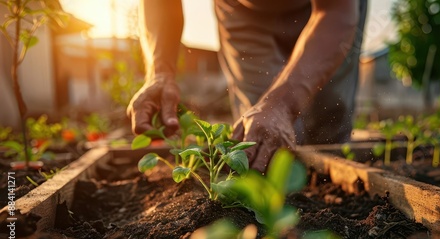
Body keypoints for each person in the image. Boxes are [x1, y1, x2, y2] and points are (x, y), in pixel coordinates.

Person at [127, 0, 367, 172]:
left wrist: (282, 104)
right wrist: (160, 73)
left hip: (333, 11)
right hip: (243, 12)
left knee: (328, 113)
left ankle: (331, 185)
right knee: (260, 131)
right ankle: (273, 207)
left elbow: (336, 12)